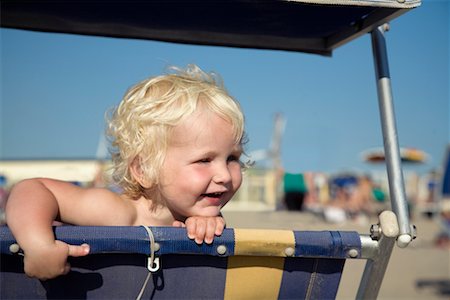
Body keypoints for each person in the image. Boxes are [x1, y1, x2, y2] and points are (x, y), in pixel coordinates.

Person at [5, 64, 246, 280]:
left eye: (233, 158)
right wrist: (37, 245)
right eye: (204, 160)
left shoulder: (204, 217)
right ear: (144, 169)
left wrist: (206, 227)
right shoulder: (117, 212)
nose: (224, 175)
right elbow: (33, 188)